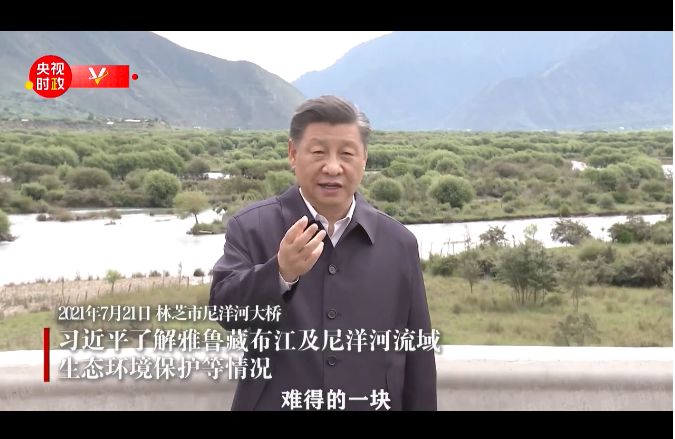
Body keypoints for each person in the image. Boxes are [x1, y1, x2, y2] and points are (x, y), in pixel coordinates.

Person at [209, 95, 437, 411]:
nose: (332, 167)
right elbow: (226, 312)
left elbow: (418, 358)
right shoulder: (252, 227)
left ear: (364, 159)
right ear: (293, 154)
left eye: (346, 153)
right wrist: (279, 273)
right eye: (318, 152)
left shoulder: (399, 243)